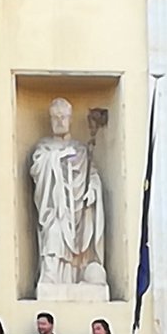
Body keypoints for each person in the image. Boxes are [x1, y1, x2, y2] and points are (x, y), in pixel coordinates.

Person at [30, 97, 106, 287]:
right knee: (54, 233)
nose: (59, 121)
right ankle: (51, 276)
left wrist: (92, 191)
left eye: (63, 117)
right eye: (55, 117)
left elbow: (93, 175)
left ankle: (80, 276)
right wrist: (57, 158)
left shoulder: (80, 150)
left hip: (78, 211)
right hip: (56, 210)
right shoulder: (44, 148)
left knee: (82, 241)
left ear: (70, 119)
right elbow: (37, 169)